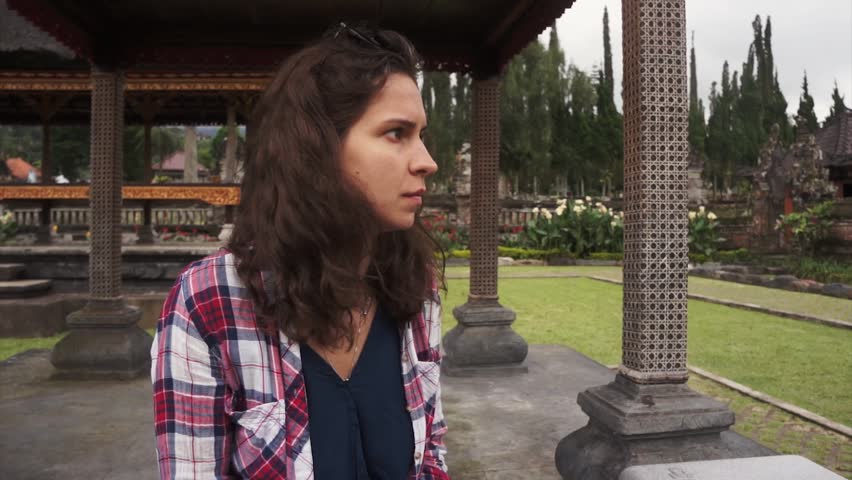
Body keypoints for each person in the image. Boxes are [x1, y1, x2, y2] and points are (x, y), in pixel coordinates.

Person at [151, 23, 449, 480]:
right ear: (317, 149)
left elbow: (430, 455)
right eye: (396, 133)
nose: (427, 160)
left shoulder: (414, 286)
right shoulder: (210, 301)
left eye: (421, 134)